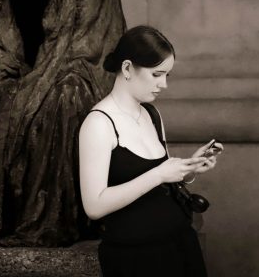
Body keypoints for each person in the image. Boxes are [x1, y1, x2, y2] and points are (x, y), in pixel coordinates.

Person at [78, 25, 222, 276]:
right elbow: (94, 205)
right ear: (127, 69)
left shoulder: (151, 114)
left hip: (181, 244)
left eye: (167, 75)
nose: (164, 84)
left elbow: (160, 183)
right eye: (157, 74)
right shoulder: (99, 123)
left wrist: (188, 168)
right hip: (137, 258)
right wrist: (159, 174)